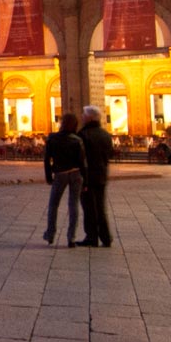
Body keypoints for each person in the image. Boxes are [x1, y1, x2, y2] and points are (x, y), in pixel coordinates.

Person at [42, 115, 83, 246]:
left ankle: (50, 234)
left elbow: (47, 159)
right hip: (76, 173)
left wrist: (48, 176)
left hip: (60, 174)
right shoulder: (77, 140)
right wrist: (85, 180)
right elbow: (83, 162)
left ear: (62, 124)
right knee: (73, 205)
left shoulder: (52, 138)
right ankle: (71, 238)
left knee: (53, 204)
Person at [77, 105, 114, 247]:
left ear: (89, 117)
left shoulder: (83, 135)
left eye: (84, 115)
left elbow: (80, 157)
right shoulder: (106, 135)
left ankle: (91, 236)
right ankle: (106, 237)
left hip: (87, 176)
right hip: (102, 175)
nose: (82, 117)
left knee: (88, 207)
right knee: (100, 206)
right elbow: (109, 154)